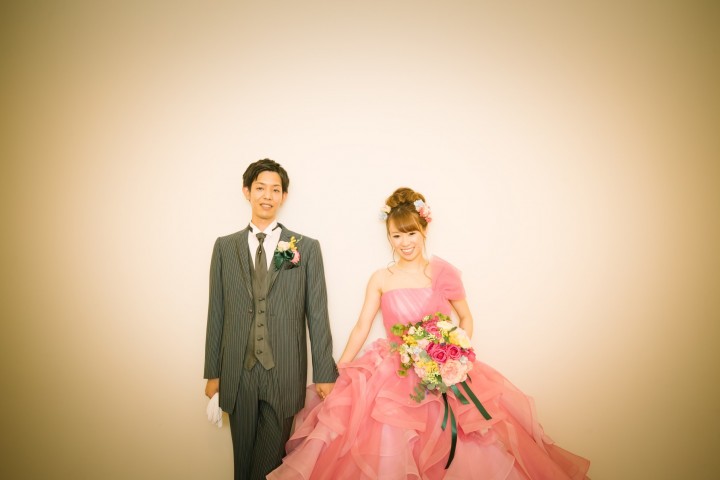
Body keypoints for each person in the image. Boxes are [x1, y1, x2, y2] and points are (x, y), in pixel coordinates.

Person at [267, 187, 591, 479]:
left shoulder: (442, 273)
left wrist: (455, 355)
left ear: (424, 230)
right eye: (396, 235)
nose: (405, 242)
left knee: (467, 443)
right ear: (388, 237)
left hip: (442, 370)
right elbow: (362, 326)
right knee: (389, 441)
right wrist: (340, 368)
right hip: (392, 372)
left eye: (411, 233)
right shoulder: (381, 278)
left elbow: (465, 318)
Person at [203, 158, 338, 480]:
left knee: (271, 464)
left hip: (284, 371)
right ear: (246, 192)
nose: (267, 195)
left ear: (284, 196)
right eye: (260, 188)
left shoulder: (305, 248)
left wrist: (324, 373)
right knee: (242, 463)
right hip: (237, 371)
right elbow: (216, 311)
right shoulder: (225, 247)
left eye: (275, 190)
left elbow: (317, 313)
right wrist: (212, 372)